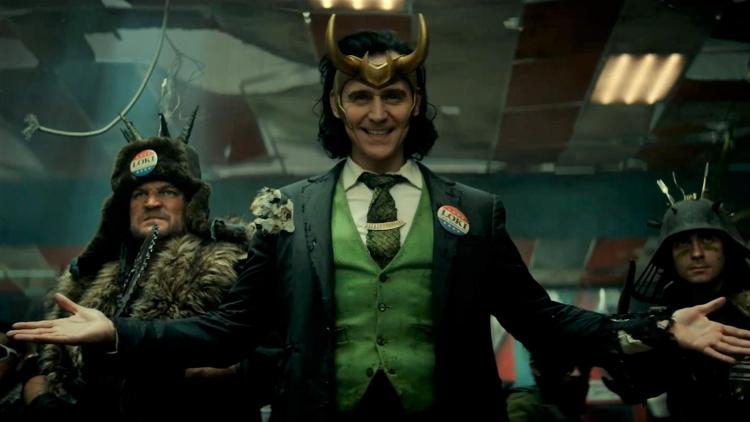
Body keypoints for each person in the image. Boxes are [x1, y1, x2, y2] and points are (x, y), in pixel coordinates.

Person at [9, 14, 750, 422]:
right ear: (337, 105)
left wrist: (659, 328)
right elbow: (227, 328)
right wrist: (117, 330)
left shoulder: (475, 212)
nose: (377, 112)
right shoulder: (287, 211)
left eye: (394, 96)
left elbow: (541, 319)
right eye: (360, 97)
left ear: (415, 103)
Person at [18, 112, 276, 421]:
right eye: (140, 194)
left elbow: (268, 360)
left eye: (167, 192)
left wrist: (190, 379)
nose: (151, 202)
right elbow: (41, 364)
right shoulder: (85, 277)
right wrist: (42, 400)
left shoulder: (233, 264)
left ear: (190, 202)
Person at [606, 181, 750, 421]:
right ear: (669, 254)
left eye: (708, 239)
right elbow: (640, 387)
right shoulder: (661, 320)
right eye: (683, 242)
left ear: (726, 247)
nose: (697, 253)